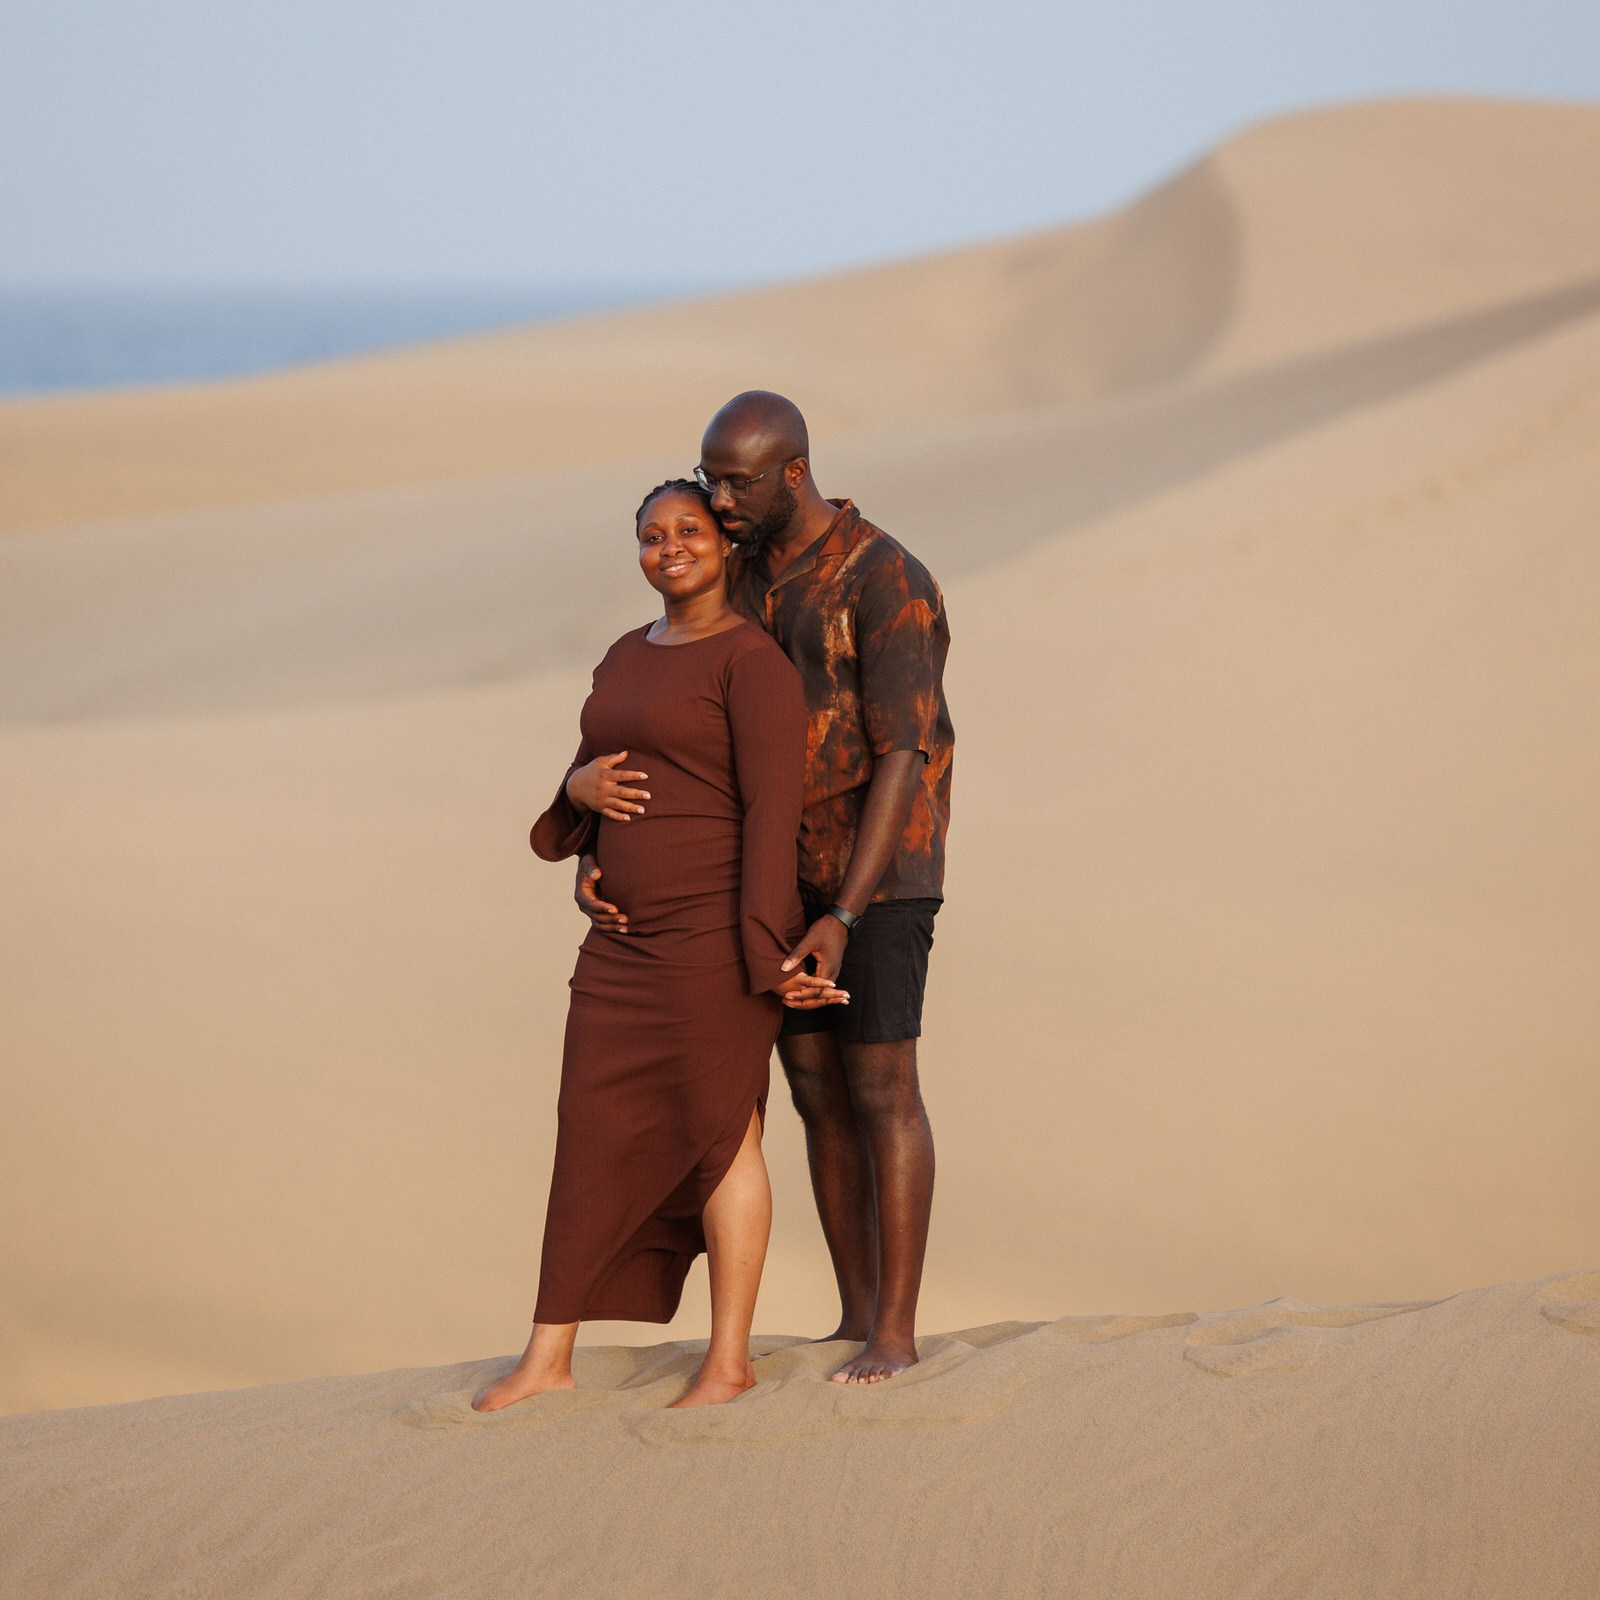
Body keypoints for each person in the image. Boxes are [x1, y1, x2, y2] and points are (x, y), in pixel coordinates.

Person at [576, 395, 953, 1384]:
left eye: (737, 480)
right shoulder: (735, 575)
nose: (717, 498)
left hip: (879, 875)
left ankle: (897, 1334)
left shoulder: (888, 578)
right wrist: (593, 838)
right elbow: (659, 707)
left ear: (793, 473)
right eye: (710, 478)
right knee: (813, 1094)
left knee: (881, 1088)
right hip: (761, 881)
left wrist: (842, 913)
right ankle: (852, 1314)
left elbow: (901, 758)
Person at [474, 478, 844, 1414]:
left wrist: (767, 954)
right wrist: (580, 809)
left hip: (713, 944)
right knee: (588, 1135)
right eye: (649, 536)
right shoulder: (623, 654)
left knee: (725, 1137)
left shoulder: (752, 664)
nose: (667, 548)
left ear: (725, 546)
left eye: (686, 531)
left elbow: (770, 817)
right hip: (620, 950)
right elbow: (601, 769)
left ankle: (729, 1362)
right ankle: (547, 1355)